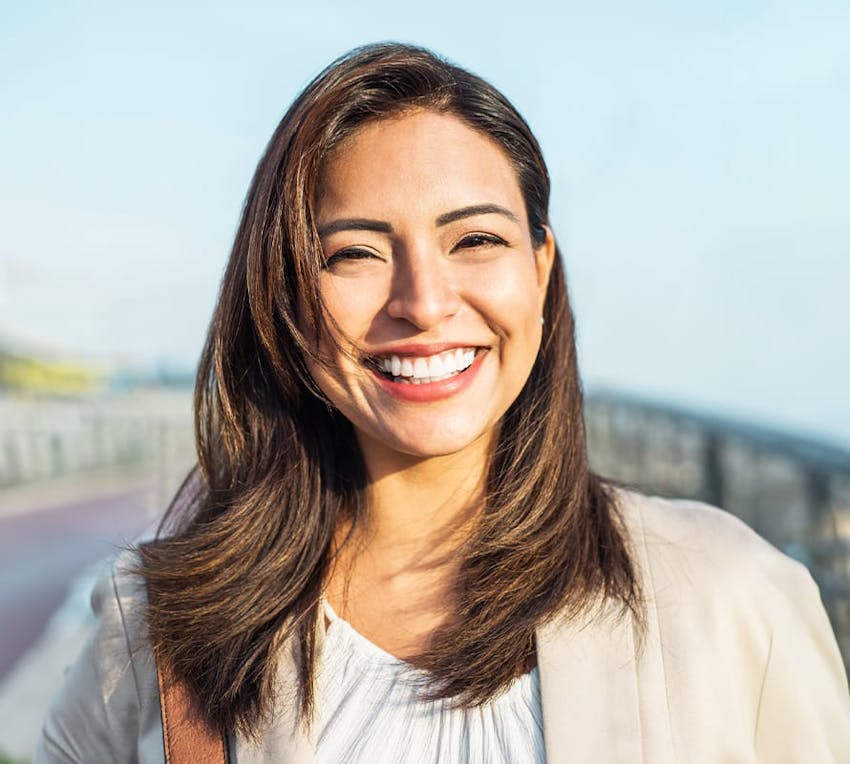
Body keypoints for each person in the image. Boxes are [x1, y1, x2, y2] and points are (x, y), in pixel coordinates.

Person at [37, 42, 850, 763]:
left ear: (541, 269)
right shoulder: (155, 628)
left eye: (477, 240)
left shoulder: (735, 598)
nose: (423, 303)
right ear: (283, 296)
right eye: (355, 253)